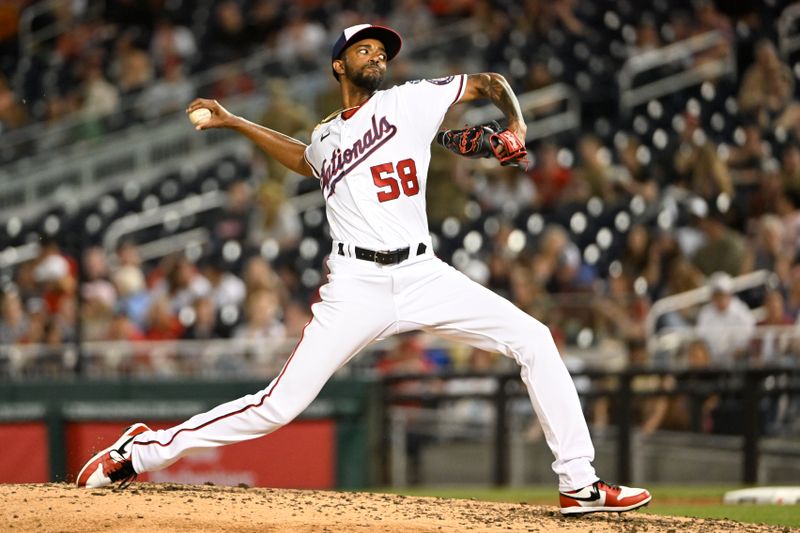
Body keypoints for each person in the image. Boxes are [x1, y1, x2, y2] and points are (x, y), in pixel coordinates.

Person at [76, 23, 650, 515]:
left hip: (424, 275)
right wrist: (235, 123)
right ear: (339, 64)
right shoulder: (328, 134)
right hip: (357, 286)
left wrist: (516, 126)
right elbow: (306, 158)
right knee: (278, 405)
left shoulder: (411, 100)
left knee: (534, 338)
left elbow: (491, 84)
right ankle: (140, 451)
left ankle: (579, 484)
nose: (377, 55)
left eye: (382, 51)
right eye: (365, 50)